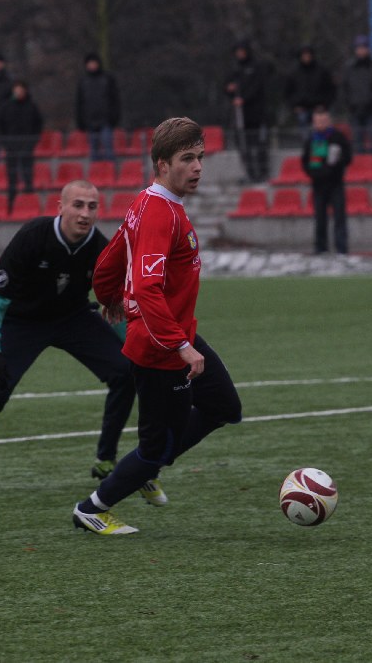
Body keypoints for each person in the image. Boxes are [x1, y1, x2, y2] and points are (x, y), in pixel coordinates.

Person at [72, 117, 242, 535]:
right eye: (188, 158)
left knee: (224, 406)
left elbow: (111, 257)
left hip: (174, 334)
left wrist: (109, 294)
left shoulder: (148, 203)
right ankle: (92, 508)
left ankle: (148, 466)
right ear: (162, 164)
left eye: (200, 157)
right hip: (160, 345)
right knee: (154, 448)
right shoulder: (159, 214)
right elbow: (147, 287)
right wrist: (179, 346)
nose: (198, 167)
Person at [0, 179, 145, 495]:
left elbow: (112, 304)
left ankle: (106, 459)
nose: (85, 213)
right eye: (77, 205)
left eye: (91, 206)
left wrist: (136, 346)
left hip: (73, 317)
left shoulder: (102, 249)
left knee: (125, 371)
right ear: (60, 208)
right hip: (23, 322)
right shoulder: (33, 235)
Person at [301, 107, 353, 254]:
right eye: (318, 121)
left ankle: (341, 250)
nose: (321, 123)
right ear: (314, 122)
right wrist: (316, 173)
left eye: (324, 120)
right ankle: (320, 249)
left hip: (336, 184)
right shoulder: (312, 139)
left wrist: (337, 163)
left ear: (329, 120)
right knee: (320, 220)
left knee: (339, 218)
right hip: (318, 186)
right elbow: (306, 162)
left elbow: (348, 157)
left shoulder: (338, 137)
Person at [0, 80, 42, 210]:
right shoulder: (5, 107)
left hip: (27, 147)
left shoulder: (31, 106)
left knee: (28, 175)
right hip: (11, 147)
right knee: (12, 177)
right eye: (17, 90)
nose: (19, 92)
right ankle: (11, 204)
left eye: (21, 90)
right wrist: (5, 143)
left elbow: (38, 125)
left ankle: (30, 205)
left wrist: (32, 142)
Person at [225, 41, 270, 183]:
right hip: (240, 116)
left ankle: (262, 172)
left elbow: (257, 88)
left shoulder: (256, 68)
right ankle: (250, 172)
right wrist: (230, 90)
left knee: (259, 144)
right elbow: (227, 86)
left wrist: (244, 99)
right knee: (243, 145)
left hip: (256, 113)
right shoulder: (235, 69)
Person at [341, 35, 372, 162]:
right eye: (359, 48)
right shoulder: (349, 67)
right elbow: (345, 88)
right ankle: (360, 166)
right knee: (357, 141)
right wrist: (350, 103)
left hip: (371, 109)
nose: (361, 51)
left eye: (364, 48)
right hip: (355, 110)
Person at [76, 52, 121, 161]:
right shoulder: (83, 82)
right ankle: (96, 175)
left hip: (106, 121)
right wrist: (81, 122)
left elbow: (115, 100)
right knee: (93, 153)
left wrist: (114, 118)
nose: (92, 65)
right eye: (89, 63)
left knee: (109, 150)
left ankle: (112, 174)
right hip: (90, 122)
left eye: (93, 63)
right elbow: (79, 103)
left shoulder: (108, 79)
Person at [285, 45, 337, 140]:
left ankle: (319, 153)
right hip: (302, 109)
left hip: (319, 108)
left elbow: (331, 90)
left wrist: (324, 105)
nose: (306, 57)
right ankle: (307, 151)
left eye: (308, 55)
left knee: (320, 135)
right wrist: (294, 106)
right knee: (305, 135)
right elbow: (287, 92)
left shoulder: (322, 70)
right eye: (304, 55)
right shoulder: (294, 72)